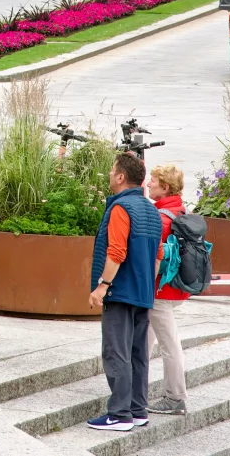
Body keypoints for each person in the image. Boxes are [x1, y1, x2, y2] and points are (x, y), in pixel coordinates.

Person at [87, 152, 164, 432]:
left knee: (115, 351)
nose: (109, 174)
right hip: (143, 293)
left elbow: (116, 252)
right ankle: (137, 409)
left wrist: (102, 286)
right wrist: (146, 285)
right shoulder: (152, 210)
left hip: (120, 292)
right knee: (137, 353)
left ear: (121, 177)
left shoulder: (121, 208)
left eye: (112, 171)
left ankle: (119, 414)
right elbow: (158, 256)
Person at [146, 164, 190, 415]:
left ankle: (175, 398)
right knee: (145, 337)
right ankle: (135, 387)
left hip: (160, 292)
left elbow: (154, 259)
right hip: (175, 288)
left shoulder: (161, 219)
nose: (148, 184)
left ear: (165, 187)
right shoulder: (182, 211)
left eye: (153, 181)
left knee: (169, 344)